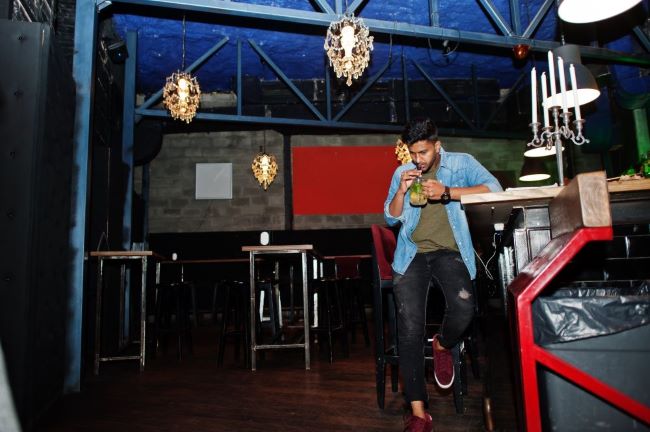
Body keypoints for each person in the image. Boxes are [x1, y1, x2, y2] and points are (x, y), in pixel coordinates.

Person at [384, 118, 502, 432]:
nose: (417, 159)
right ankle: (419, 414)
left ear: (436, 145)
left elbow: (494, 189)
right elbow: (390, 215)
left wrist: (448, 192)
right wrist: (401, 190)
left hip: (449, 252)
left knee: (464, 306)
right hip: (412, 255)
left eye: (422, 152)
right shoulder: (402, 172)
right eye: (412, 153)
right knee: (409, 328)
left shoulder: (461, 163)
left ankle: (442, 344)